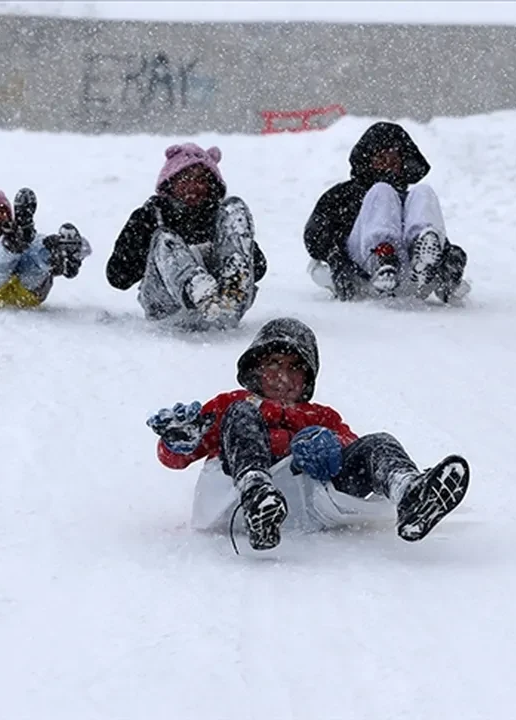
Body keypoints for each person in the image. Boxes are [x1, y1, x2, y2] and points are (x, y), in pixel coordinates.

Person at [145, 317, 471, 552]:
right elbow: (178, 458)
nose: (282, 376)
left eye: (294, 367)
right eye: (274, 363)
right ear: (256, 368)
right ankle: (257, 492)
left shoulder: (321, 416)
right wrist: (178, 441)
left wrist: (329, 447)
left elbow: (350, 447)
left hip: (307, 502)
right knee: (242, 417)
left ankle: (411, 494)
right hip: (238, 498)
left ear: (307, 378)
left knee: (378, 443)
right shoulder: (234, 402)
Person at [304, 121, 470, 304]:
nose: (388, 166)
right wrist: (335, 255)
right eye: (381, 159)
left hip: (411, 274)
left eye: (394, 161)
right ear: (368, 161)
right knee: (382, 191)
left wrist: (449, 255)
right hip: (363, 270)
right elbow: (315, 236)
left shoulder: (410, 198)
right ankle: (383, 257)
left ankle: (422, 263)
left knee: (424, 191)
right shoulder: (346, 194)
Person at [106, 143, 267, 331]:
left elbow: (260, 268)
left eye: (201, 179)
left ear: (212, 186)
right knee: (165, 240)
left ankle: (232, 284)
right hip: (169, 311)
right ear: (170, 182)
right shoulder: (150, 216)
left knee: (235, 208)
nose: (193, 186)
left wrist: (227, 252)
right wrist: (144, 242)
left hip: (226, 307)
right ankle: (197, 288)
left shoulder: (219, 218)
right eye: (184, 178)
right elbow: (117, 277)